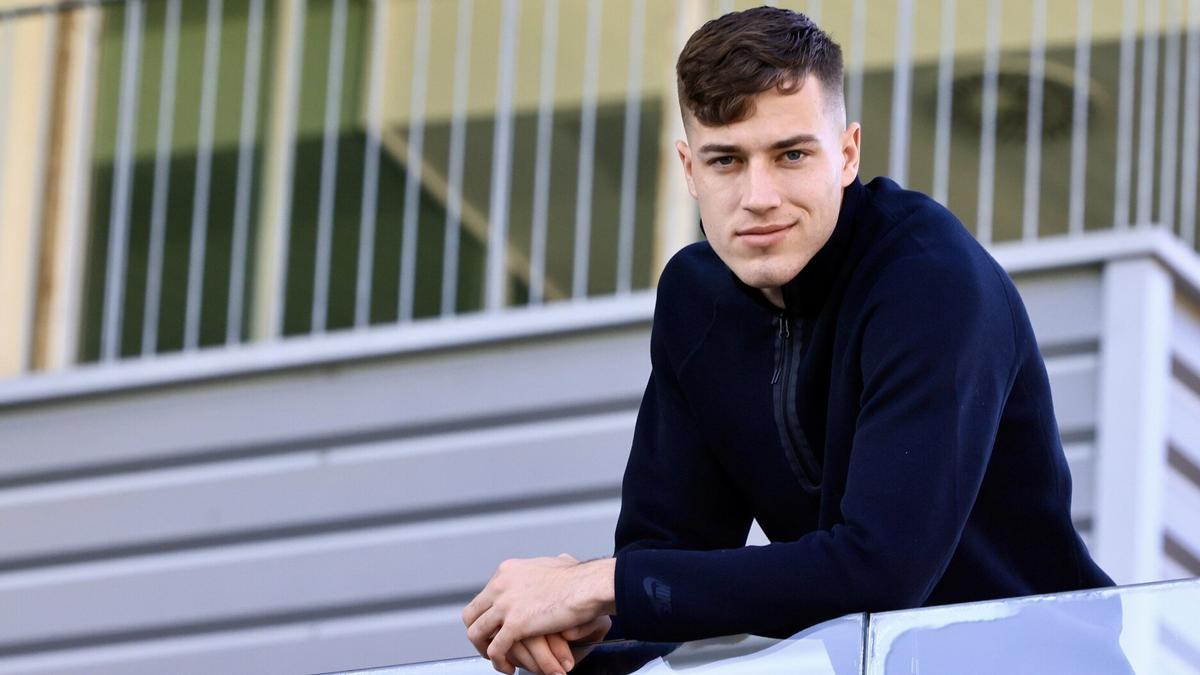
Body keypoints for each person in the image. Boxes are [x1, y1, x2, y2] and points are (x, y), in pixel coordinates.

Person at [462, 7, 1113, 675]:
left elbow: (880, 570)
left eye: (792, 154)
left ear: (848, 154)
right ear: (689, 169)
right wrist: (572, 631)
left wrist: (598, 584)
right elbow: (666, 565)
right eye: (726, 160)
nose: (759, 196)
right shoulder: (696, 300)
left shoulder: (929, 279)